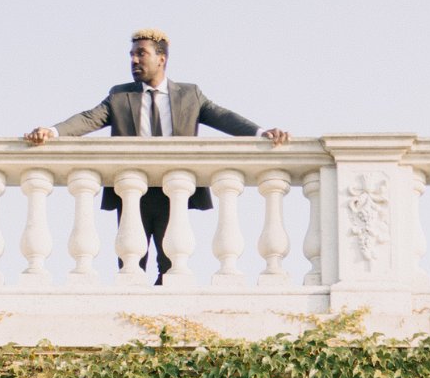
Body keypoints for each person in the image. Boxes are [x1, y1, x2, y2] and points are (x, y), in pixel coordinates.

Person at [25, 28, 290, 281]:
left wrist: (260, 133)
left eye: (141, 53)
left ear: (161, 59)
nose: (134, 60)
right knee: (130, 263)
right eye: (131, 55)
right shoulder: (120, 96)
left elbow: (223, 117)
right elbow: (88, 119)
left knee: (171, 264)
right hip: (132, 190)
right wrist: (52, 131)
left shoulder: (189, 94)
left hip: (173, 190)